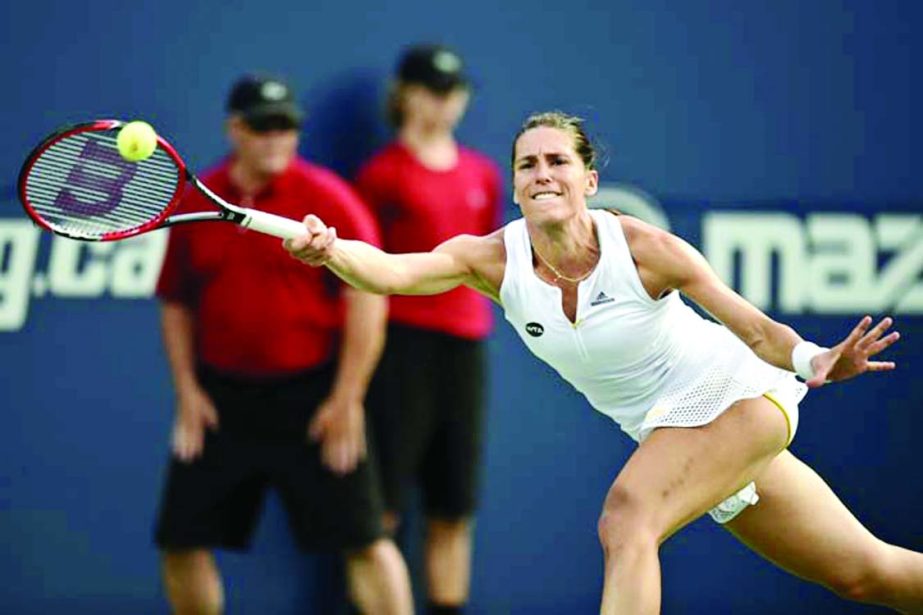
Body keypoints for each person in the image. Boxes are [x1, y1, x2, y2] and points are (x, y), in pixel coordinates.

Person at [284, 110, 923, 614]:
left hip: (739, 397)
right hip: (676, 432)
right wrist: (332, 249)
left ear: (588, 180)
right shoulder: (492, 260)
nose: (542, 174)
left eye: (558, 161)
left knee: (627, 517)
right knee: (865, 573)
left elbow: (754, 330)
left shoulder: (645, 248)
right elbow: (393, 272)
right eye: (527, 164)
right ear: (513, 185)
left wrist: (815, 360)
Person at [152, 74, 413, 615]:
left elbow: (369, 298)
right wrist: (188, 392)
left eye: (286, 126)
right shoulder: (202, 197)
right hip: (221, 401)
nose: (277, 137)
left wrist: (346, 399)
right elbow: (176, 302)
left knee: (366, 540)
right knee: (180, 542)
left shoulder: (326, 198)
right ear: (235, 128)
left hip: (313, 398)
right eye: (264, 126)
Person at [354, 44, 502, 615]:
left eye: (454, 92)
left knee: (453, 505)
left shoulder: (483, 173)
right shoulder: (382, 174)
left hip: (464, 349)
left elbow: (485, 261)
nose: (446, 103)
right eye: (434, 90)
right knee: (383, 507)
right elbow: (362, 268)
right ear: (407, 94)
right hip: (400, 348)